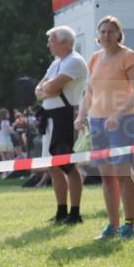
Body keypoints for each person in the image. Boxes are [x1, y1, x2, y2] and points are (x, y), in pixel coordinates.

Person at [75, 15, 134, 241]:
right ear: (98, 35)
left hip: (124, 122)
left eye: (111, 31)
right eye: (102, 31)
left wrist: (118, 113)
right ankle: (113, 225)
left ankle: (130, 225)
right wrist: (82, 115)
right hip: (97, 123)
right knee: (106, 176)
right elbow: (90, 92)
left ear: (119, 34)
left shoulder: (128, 56)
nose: (106, 35)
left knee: (123, 174)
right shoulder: (94, 58)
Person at [36, 25, 90, 225]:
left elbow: (50, 86)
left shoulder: (74, 61)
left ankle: (75, 213)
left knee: (68, 165)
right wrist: (46, 89)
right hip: (50, 117)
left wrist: (46, 88)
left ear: (63, 42)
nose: (48, 44)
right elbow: (40, 89)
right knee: (53, 166)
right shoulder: (55, 63)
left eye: (51, 40)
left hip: (65, 117)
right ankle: (61, 212)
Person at [0, 108, 15, 175]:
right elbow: (10, 131)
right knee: (10, 157)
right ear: (5, 115)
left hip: (0, 141)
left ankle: (4, 173)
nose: (9, 115)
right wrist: (13, 127)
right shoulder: (6, 122)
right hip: (7, 141)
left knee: (3, 158)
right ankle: (10, 171)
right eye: (7, 113)